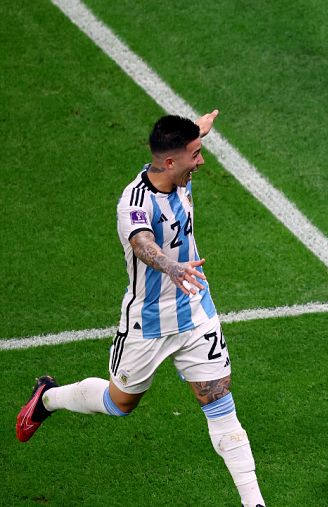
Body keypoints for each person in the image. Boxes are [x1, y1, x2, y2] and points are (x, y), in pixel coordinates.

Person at [16, 112, 266, 507]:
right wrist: (172, 266)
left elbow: (188, 143)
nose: (201, 162)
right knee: (120, 404)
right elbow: (142, 244)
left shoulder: (178, 170)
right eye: (195, 155)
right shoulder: (133, 202)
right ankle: (47, 398)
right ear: (170, 162)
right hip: (147, 323)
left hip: (196, 310)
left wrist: (198, 130)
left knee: (219, 404)